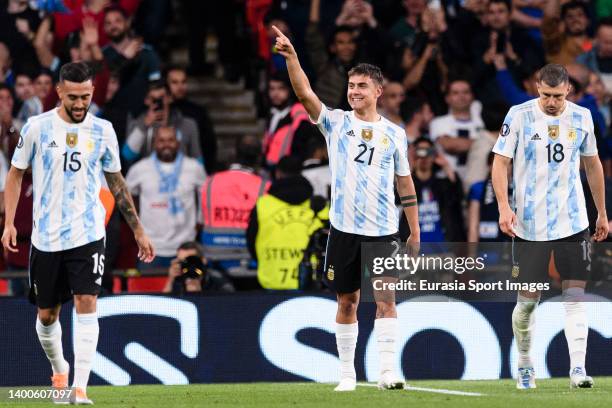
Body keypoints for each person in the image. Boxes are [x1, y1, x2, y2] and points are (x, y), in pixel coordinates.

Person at [272, 26, 420, 391]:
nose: (354, 92)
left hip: (384, 231)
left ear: (378, 92)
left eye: (361, 87)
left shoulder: (395, 134)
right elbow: (305, 93)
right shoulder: (336, 124)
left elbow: (405, 183)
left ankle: (387, 371)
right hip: (344, 230)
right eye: (351, 86)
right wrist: (292, 57)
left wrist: (413, 230)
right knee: (348, 301)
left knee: (386, 300)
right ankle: (347, 374)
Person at [1, 62, 155, 404]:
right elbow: (14, 175)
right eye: (73, 97)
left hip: (87, 232)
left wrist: (138, 229)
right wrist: (9, 221)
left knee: (87, 302)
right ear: (59, 92)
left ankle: (80, 389)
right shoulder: (37, 128)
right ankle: (60, 373)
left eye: (86, 96)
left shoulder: (103, 131)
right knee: (47, 316)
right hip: (46, 237)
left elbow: (116, 182)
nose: (80, 103)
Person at [491, 63, 608, 390]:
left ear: (568, 90)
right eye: (545, 95)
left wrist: (602, 213)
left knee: (575, 297)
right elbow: (500, 162)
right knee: (528, 302)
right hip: (530, 225)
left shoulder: (582, 117)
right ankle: (525, 363)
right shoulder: (519, 116)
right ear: (536, 88)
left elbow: (593, 165)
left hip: (573, 222)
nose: (552, 102)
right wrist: (504, 206)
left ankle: (578, 370)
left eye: (557, 96)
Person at [126, 125, 206, 269]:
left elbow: (205, 195)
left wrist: (200, 221)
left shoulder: (194, 168)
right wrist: (137, 223)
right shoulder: (139, 168)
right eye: (161, 140)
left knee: (188, 290)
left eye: (170, 140)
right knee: (148, 291)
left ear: (178, 143)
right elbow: (127, 196)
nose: (166, 144)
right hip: (150, 246)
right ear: (154, 143)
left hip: (185, 246)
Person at [246, 156, 328, 290]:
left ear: (278, 173)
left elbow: (251, 242)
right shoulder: (320, 206)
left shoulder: (263, 205)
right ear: (301, 173)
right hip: (312, 283)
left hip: (273, 280)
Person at [201, 135, 269, 262]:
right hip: (248, 256)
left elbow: (201, 218)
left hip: (214, 253)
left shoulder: (210, 182)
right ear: (259, 158)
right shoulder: (265, 186)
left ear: (235, 153)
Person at [399, 137, 466, 243]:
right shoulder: (408, 185)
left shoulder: (442, 184)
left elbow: (459, 196)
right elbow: (396, 199)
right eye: (419, 151)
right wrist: (409, 165)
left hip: (442, 249)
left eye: (428, 151)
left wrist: (445, 165)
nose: (424, 156)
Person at [122, 81, 203, 165]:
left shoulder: (188, 125)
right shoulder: (137, 125)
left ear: (170, 98)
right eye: (153, 99)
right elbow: (127, 155)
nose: (158, 103)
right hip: (148, 176)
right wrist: (144, 125)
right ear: (146, 100)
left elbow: (198, 160)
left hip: (181, 175)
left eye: (161, 98)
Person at [429, 79, 484, 182]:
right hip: (447, 181)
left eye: (466, 92)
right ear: (447, 98)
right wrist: (483, 143)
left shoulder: (482, 122)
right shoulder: (438, 122)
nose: (461, 96)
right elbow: (450, 145)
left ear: (472, 96)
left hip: (477, 181)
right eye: (455, 93)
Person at [166, 66, 217, 174]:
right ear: (166, 85)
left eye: (183, 82)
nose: (180, 87)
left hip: (191, 172)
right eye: (174, 82)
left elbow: (208, 146)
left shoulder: (198, 112)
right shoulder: (158, 113)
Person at [262, 73, 314, 167]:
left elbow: (302, 148)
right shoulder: (272, 112)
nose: (275, 93)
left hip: (290, 170)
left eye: (281, 88)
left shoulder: (299, 114)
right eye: (272, 89)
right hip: (274, 168)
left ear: (290, 90)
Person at [163, 241, 235, 294]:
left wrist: (198, 294)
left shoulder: (216, 279)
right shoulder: (178, 277)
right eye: (182, 262)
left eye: (190, 261)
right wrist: (170, 280)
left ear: (203, 261)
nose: (185, 265)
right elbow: (165, 305)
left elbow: (227, 307)